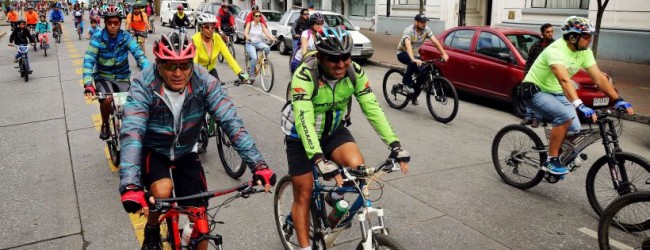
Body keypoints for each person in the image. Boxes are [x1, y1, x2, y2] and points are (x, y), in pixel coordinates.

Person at [118, 31, 276, 250]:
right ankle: (152, 227)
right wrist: (131, 185)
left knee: (200, 220)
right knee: (162, 192)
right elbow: (132, 134)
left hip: (186, 150)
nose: (178, 73)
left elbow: (231, 121)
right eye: (170, 66)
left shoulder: (204, 81)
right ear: (158, 63)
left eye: (184, 65)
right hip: (155, 149)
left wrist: (258, 165)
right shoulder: (143, 84)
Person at [284, 26, 410, 250]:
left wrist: (395, 145)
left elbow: (372, 108)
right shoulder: (305, 75)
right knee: (303, 193)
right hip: (301, 136)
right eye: (334, 58)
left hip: (333, 130)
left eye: (346, 57)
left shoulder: (355, 72)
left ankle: (334, 199)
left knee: (358, 169)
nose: (341, 64)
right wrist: (318, 158)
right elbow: (304, 119)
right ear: (321, 57)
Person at [523, 16, 634, 175]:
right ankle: (550, 160)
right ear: (573, 37)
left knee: (574, 128)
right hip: (536, 91)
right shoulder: (556, 50)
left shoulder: (584, 52)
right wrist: (579, 104)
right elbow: (564, 80)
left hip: (557, 92)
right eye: (587, 36)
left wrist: (618, 99)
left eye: (591, 36)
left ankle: (560, 152)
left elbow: (598, 78)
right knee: (563, 118)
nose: (590, 40)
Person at [82, 5, 150, 140]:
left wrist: (150, 73)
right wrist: (88, 84)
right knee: (107, 100)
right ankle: (105, 124)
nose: (112, 26)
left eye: (116, 23)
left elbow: (139, 55)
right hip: (103, 78)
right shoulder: (97, 38)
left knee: (132, 105)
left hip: (123, 77)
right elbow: (88, 60)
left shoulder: (126, 37)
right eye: (109, 23)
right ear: (105, 23)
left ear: (120, 23)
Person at [396, 14, 449, 106]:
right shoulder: (409, 31)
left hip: (415, 54)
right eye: (422, 22)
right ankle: (406, 82)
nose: (424, 24)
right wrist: (413, 58)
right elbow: (408, 44)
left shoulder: (426, 29)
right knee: (413, 62)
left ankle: (414, 96)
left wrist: (443, 53)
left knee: (424, 72)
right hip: (402, 53)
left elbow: (435, 42)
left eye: (425, 22)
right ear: (416, 22)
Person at [192, 13, 248, 82]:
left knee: (218, 91)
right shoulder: (195, 40)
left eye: (212, 27)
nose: (210, 30)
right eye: (207, 27)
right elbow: (194, 62)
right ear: (201, 28)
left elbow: (228, 56)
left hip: (211, 70)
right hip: (198, 72)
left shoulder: (217, 38)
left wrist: (239, 72)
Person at [521, 23, 554, 128]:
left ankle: (537, 119)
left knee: (540, 98)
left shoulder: (554, 46)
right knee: (530, 95)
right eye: (547, 32)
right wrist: (526, 74)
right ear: (542, 33)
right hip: (533, 75)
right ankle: (528, 116)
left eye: (552, 32)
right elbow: (529, 61)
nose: (550, 34)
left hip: (546, 77)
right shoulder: (536, 45)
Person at [243, 10, 276, 80]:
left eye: (259, 16)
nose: (258, 17)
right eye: (256, 16)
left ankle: (264, 61)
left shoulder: (261, 25)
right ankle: (252, 73)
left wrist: (273, 38)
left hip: (258, 43)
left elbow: (267, 34)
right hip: (250, 43)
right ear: (253, 17)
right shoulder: (250, 24)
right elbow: (245, 32)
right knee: (254, 58)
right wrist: (248, 37)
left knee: (267, 48)